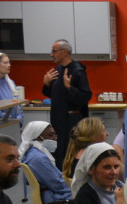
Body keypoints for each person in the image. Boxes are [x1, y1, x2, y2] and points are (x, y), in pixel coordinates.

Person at [18, 121, 71, 204]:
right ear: (38, 137)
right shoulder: (38, 158)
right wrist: (76, 188)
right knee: (88, 197)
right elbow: (57, 184)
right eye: (50, 135)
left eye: (55, 135)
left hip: (46, 192)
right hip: (53, 195)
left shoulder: (32, 153)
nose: (55, 139)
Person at [42, 39, 92, 169]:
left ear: (64, 52)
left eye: (54, 51)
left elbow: (85, 96)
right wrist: (46, 84)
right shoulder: (58, 69)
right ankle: (61, 178)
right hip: (58, 120)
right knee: (59, 154)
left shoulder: (78, 71)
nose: (51, 54)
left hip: (71, 121)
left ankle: (71, 179)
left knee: (71, 154)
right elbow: (56, 95)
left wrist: (70, 88)